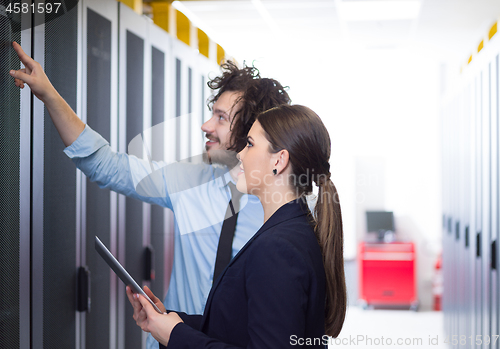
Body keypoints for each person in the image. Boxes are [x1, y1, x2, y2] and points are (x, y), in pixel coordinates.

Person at [9, 42, 290, 348]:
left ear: (253, 132)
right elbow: (105, 165)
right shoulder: (191, 180)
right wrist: (50, 95)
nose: (205, 125)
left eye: (221, 118)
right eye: (212, 113)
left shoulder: (283, 215)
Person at [127, 104, 347, 348]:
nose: (241, 154)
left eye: (250, 144)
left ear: (279, 160)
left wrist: (174, 335)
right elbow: (238, 330)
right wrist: (169, 321)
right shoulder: (293, 230)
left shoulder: (277, 248)